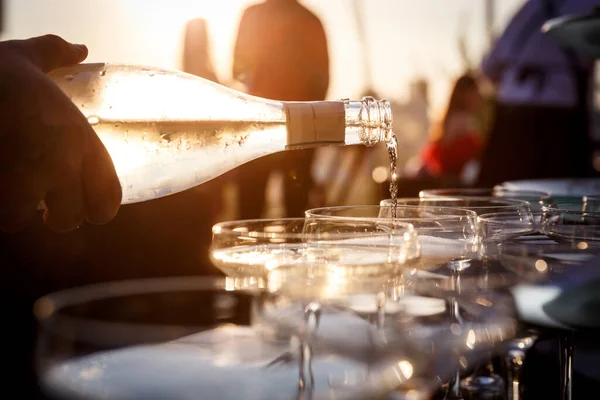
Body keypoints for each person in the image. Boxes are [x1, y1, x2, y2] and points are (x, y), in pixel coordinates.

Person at [477, 0, 599, 187]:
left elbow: (488, 68)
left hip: (513, 116)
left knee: (500, 199)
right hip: (559, 119)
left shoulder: (528, 9)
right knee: (563, 200)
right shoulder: (586, 4)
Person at [231, 0, 329, 219]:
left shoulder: (253, 15)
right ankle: (295, 250)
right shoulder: (311, 20)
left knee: (249, 212)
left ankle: (248, 249)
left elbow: (237, 69)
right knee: (295, 213)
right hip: (298, 128)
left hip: (257, 126)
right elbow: (322, 82)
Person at [419, 74, 484, 181]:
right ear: (467, 94)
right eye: (476, 92)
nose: (479, 96)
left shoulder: (455, 118)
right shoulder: (461, 119)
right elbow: (448, 159)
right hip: (456, 184)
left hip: (456, 181)